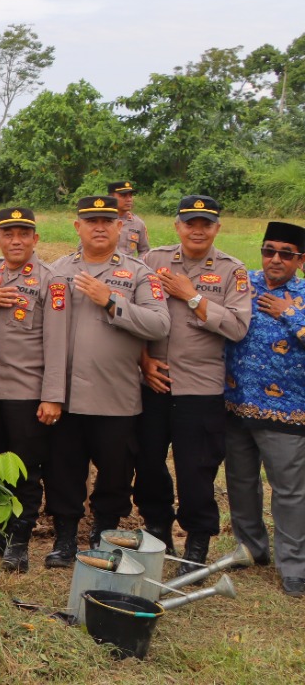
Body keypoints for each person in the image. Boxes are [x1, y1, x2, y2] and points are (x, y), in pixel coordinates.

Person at [43, 195, 170, 567]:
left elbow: (160, 323)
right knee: (64, 468)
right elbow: (48, 334)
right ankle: (65, 537)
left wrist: (111, 299)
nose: (99, 226)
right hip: (67, 394)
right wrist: (50, 393)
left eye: (106, 220)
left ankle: (104, 532)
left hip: (116, 393)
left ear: (119, 226)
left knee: (115, 471)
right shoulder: (59, 271)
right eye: (91, 220)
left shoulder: (138, 273)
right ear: (77, 226)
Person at [136, 196, 251, 573]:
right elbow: (134, 314)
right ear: (177, 226)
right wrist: (143, 360)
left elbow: (237, 328)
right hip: (153, 384)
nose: (197, 230)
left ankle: (197, 541)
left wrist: (193, 296)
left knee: (196, 469)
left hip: (200, 387)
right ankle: (157, 528)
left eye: (205, 223)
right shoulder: (153, 261)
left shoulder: (233, 271)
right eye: (190, 223)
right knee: (148, 462)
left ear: (217, 227)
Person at [0, 207, 69, 572]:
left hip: (27, 391)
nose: (16, 240)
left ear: (36, 239)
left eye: (23, 234)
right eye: (8, 234)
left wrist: (52, 395)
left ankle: (20, 538)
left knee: (26, 470)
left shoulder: (51, 280)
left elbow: (57, 342)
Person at [225, 221, 305, 598]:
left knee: (288, 491)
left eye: (285, 253)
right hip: (235, 403)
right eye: (268, 250)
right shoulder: (242, 283)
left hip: (288, 412)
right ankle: (252, 547)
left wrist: (291, 315)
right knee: (241, 483)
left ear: (300, 259)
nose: (275, 259)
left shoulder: (303, 294)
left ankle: (294, 566)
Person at [108, 181, 149, 258]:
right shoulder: (101, 221)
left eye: (130, 196)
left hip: (128, 268)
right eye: (123, 196)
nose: (129, 199)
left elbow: (144, 250)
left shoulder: (138, 223)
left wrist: (137, 266)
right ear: (111, 198)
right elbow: (83, 248)